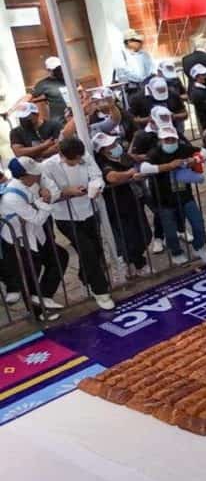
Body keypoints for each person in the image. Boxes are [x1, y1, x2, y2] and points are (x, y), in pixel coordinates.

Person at [39, 137, 114, 309]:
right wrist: (67, 192)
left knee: (96, 248)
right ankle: (101, 291)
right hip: (65, 217)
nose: (79, 161)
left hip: (89, 210)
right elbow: (49, 194)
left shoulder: (84, 156)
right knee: (87, 251)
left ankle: (85, 278)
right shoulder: (48, 167)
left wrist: (96, 186)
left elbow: (96, 176)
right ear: (62, 155)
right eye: (74, 160)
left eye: (80, 158)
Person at [1, 156, 70, 319]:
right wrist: (45, 201)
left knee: (60, 257)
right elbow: (37, 218)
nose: (38, 175)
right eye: (34, 173)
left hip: (36, 235)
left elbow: (52, 191)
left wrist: (43, 199)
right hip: (18, 240)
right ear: (24, 176)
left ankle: (43, 296)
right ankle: (37, 313)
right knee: (29, 274)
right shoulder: (12, 197)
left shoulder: (31, 183)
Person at [138, 125, 206, 265]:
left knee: (198, 224)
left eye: (173, 139)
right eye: (167, 140)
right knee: (170, 231)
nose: (170, 142)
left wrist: (195, 160)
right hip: (164, 200)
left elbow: (204, 152)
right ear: (161, 140)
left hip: (185, 196)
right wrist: (168, 166)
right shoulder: (155, 153)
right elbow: (144, 168)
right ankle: (176, 253)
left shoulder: (183, 149)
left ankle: (199, 247)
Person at [92, 131, 151, 279]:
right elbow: (112, 177)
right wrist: (130, 173)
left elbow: (136, 160)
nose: (115, 146)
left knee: (145, 233)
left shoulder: (123, 157)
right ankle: (136, 264)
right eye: (110, 146)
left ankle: (132, 261)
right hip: (118, 205)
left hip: (135, 200)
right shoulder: (103, 164)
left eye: (114, 143)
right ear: (102, 151)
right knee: (129, 237)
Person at [114, 29, 155, 105]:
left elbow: (151, 68)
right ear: (129, 41)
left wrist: (147, 79)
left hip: (148, 88)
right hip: (133, 91)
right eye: (137, 40)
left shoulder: (145, 54)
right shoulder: (122, 55)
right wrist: (142, 79)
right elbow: (124, 74)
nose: (140, 42)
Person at [32, 57, 70, 122]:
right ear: (49, 70)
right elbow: (30, 96)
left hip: (74, 117)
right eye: (55, 69)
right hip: (58, 121)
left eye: (59, 67)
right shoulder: (44, 84)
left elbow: (80, 91)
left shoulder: (68, 79)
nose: (58, 70)